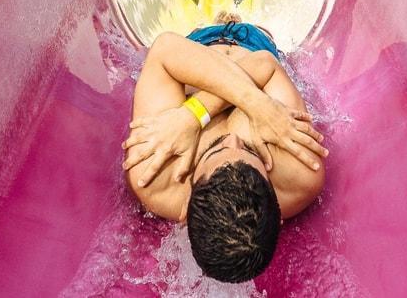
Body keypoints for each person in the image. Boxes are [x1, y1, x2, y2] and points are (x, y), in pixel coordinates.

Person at [122, 19, 328, 283]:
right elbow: (265, 63)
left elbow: (166, 48)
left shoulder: (153, 171)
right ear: (278, 213)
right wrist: (258, 104)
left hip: (198, 43)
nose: (232, 141)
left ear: (185, 207)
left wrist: (191, 115)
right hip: (253, 41)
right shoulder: (300, 174)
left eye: (216, 151)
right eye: (250, 153)